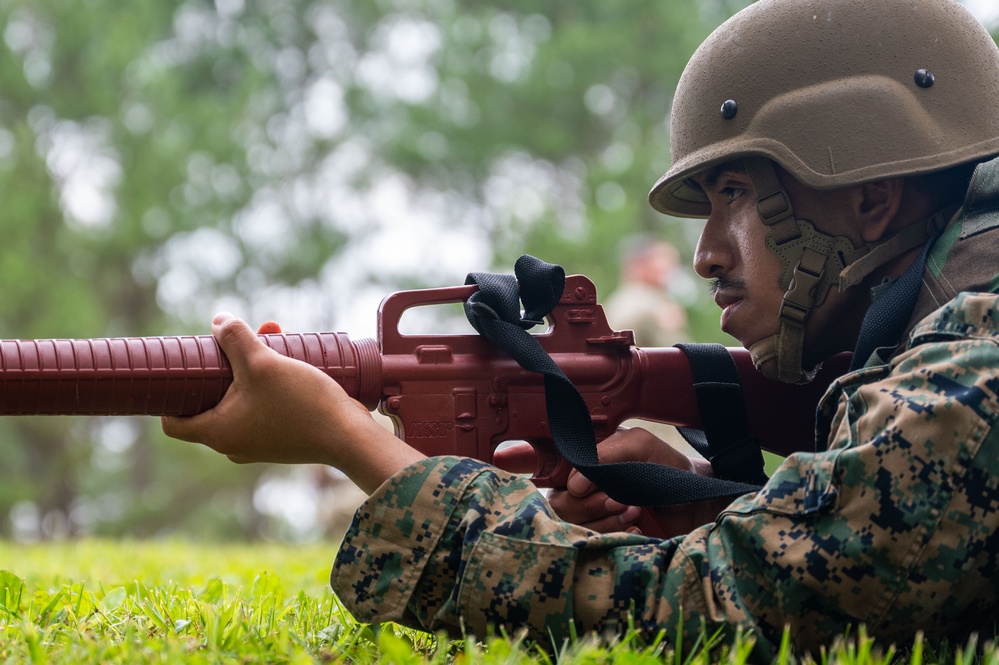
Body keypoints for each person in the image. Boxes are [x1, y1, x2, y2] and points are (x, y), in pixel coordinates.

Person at [162, 0, 999, 658]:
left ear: (868, 197)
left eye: (735, 195)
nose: (705, 254)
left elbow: (706, 613)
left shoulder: (967, 376)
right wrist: (705, 507)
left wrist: (349, 441)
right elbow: (902, 581)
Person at [603, 236, 690, 348]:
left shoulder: (620, 299)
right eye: (662, 259)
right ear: (639, 264)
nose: (670, 268)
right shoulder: (638, 300)